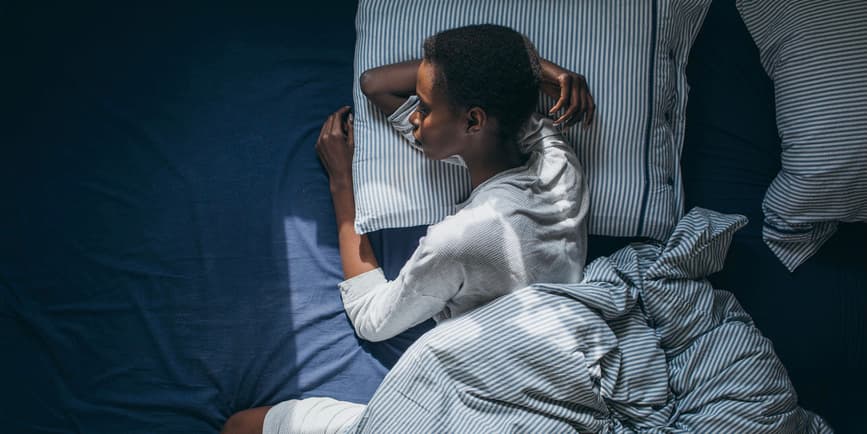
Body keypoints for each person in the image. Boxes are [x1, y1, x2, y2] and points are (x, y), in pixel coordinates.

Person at [222, 23, 594, 434]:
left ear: (473, 121)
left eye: (427, 107)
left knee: (240, 427)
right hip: (555, 370)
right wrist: (545, 73)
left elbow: (372, 319)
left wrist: (342, 184)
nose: (413, 115)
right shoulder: (560, 162)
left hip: (480, 400)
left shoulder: (461, 239)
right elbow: (374, 83)